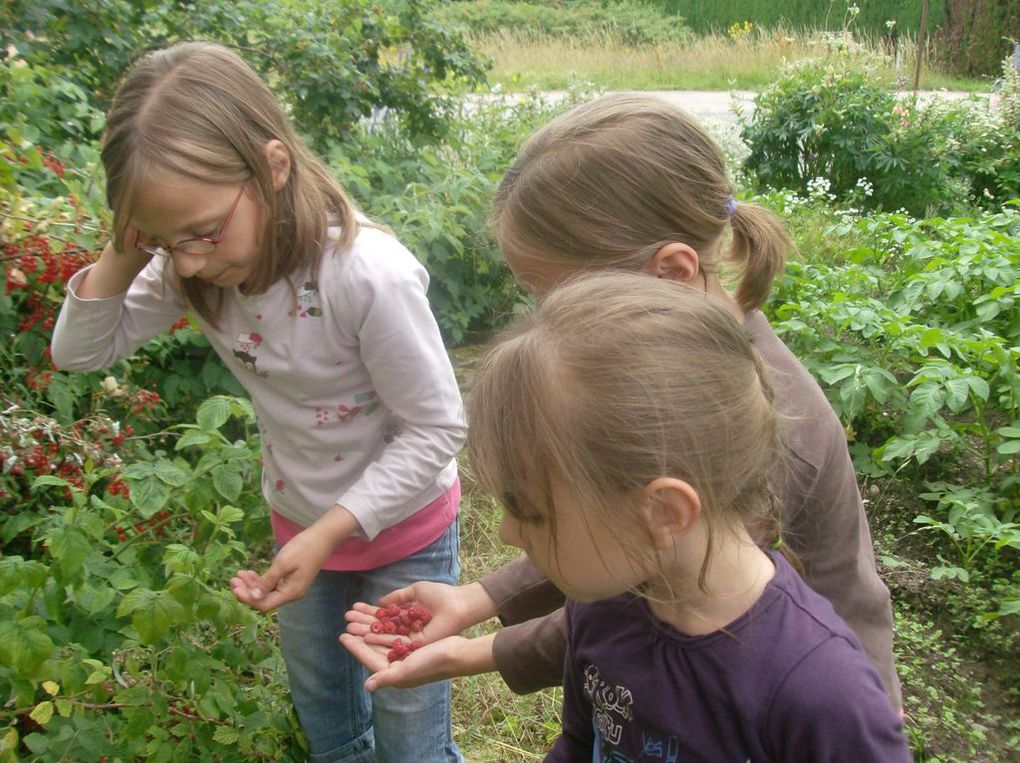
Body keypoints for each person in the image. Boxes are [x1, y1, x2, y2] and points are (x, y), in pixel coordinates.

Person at [340, 92, 903, 714]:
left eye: (558, 297)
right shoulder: (668, 365)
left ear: (671, 272)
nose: (546, 322)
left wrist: (476, 653)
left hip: (793, 715)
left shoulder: (763, 424)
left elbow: (643, 602)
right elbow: (612, 523)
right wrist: (481, 598)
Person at [50, 41, 466, 763]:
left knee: (409, 736)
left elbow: (437, 427)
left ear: (273, 167)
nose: (187, 261)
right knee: (330, 730)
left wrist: (330, 529)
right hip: (299, 526)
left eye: (202, 232)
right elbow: (80, 353)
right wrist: (129, 240)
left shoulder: (364, 275)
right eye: (161, 240)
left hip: (405, 537)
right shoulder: (197, 270)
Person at [484, 271, 909, 759]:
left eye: (528, 511)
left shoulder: (822, 694)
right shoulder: (601, 608)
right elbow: (580, 744)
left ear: (664, 513)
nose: (507, 533)